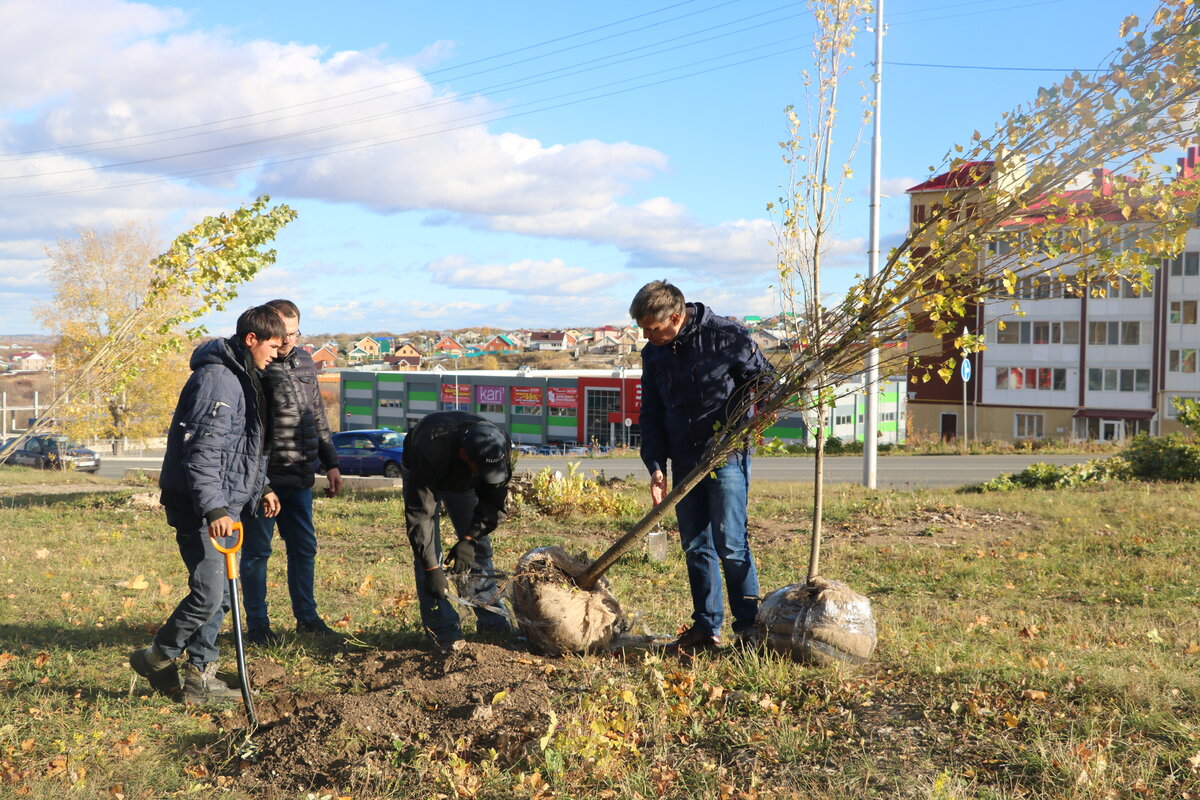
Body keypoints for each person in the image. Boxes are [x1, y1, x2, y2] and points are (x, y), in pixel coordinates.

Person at [129, 306, 286, 703]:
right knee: (208, 595)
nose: (279, 350)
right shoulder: (217, 380)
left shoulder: (242, 376)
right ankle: (157, 657)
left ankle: (200, 678)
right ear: (251, 339)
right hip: (201, 506)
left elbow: (240, 448)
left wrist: (261, 485)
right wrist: (215, 509)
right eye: (273, 343)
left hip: (223, 502)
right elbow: (201, 451)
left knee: (219, 595)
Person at [632, 280, 771, 654]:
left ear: (675, 317)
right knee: (696, 545)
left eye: (652, 328)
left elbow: (766, 382)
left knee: (730, 543)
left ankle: (748, 632)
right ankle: (706, 629)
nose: (647, 336)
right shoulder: (654, 353)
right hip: (684, 458)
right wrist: (656, 465)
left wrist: (744, 427)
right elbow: (651, 414)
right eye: (643, 329)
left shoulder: (727, 337)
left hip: (726, 455)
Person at [240, 299, 343, 646]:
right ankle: (258, 626)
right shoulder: (253, 365)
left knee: (304, 549)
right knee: (257, 552)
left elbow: (317, 415)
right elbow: (247, 430)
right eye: (282, 335)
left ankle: (308, 619)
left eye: (294, 333)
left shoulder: (304, 361)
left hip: (301, 476)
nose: (287, 342)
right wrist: (260, 482)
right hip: (264, 479)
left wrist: (330, 462)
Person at [401, 410, 513, 650]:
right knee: (429, 558)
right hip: (426, 473)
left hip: (465, 483)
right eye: (480, 468)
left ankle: (492, 622)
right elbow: (421, 517)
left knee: (479, 550)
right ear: (464, 454)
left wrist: (470, 539)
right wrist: (433, 569)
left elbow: (493, 502)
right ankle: (442, 632)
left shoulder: (497, 444)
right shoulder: (430, 451)